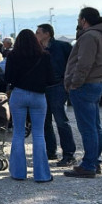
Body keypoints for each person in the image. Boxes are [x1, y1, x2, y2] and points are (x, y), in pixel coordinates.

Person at [63, 7, 102, 179]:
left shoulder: (89, 37)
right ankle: (94, 162)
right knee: (95, 126)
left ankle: (89, 164)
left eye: (79, 19)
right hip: (95, 84)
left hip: (84, 86)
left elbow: (84, 63)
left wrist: (74, 83)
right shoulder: (99, 35)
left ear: (83, 20)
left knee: (88, 128)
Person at [4, 29, 54, 182]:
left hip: (18, 94)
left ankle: (18, 173)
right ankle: (42, 175)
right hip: (38, 96)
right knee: (39, 134)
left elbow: (8, 77)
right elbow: (51, 78)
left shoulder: (12, 56)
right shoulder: (44, 55)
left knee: (18, 134)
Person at [35, 24, 76, 166]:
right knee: (45, 122)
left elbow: (72, 63)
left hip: (58, 87)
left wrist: (68, 82)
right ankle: (50, 151)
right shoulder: (37, 49)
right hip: (42, 88)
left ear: (47, 34)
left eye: (38, 32)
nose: (36, 35)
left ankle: (69, 154)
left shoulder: (62, 47)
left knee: (61, 121)